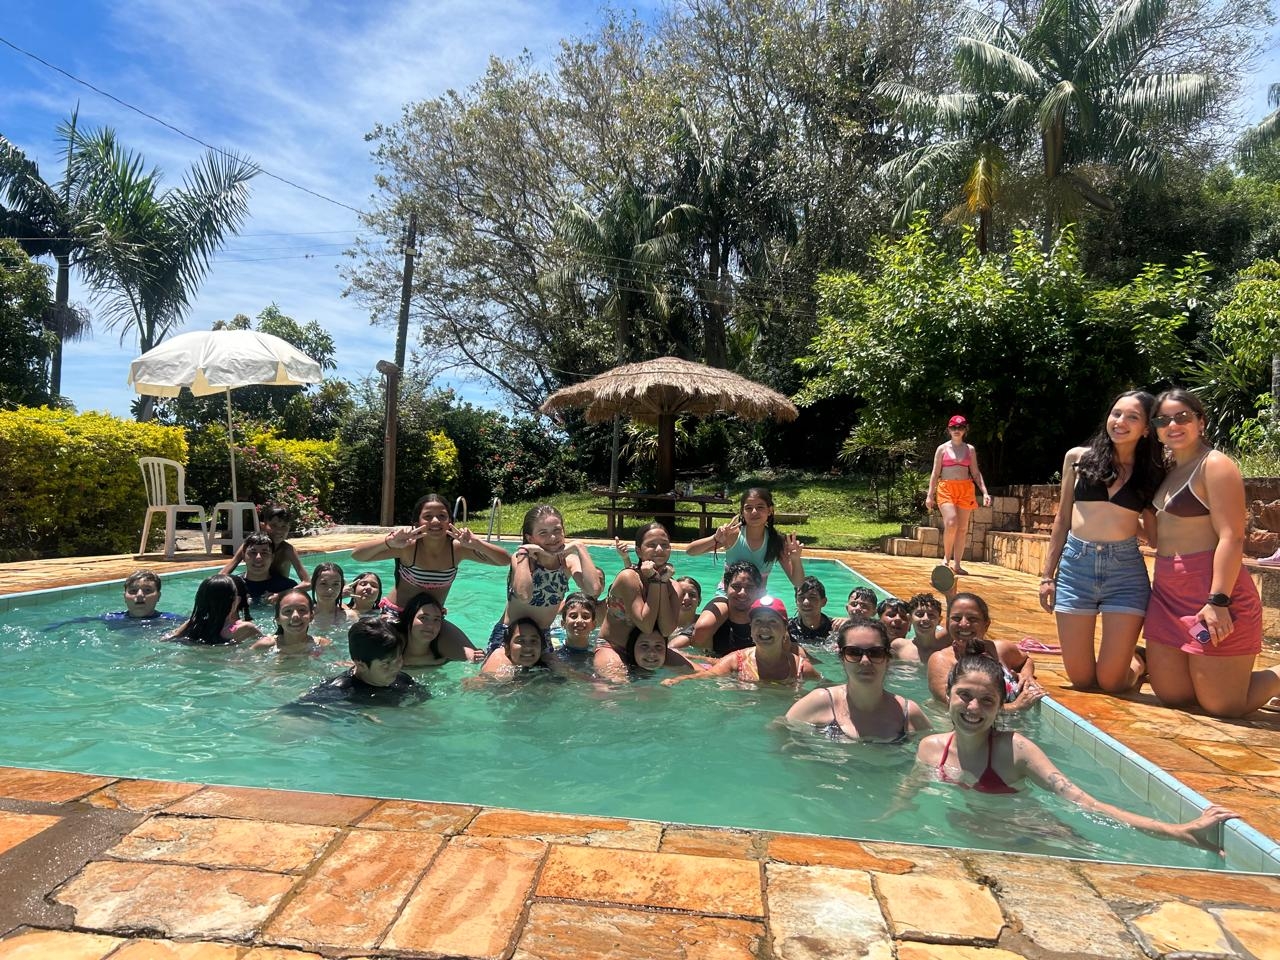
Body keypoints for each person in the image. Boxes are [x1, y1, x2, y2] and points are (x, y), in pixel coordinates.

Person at [915, 656, 1237, 849]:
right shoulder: (930, 749)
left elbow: (1086, 803)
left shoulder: (1015, 750)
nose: (973, 708)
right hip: (974, 832)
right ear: (948, 693)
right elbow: (907, 794)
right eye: (964, 695)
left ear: (1001, 705)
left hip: (1032, 837)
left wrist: (1176, 831)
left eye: (987, 700)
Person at [1143, 389, 1280, 716]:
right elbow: (1158, 538)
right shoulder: (1168, 470)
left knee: (1223, 705)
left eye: (1182, 417)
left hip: (1212, 592)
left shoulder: (1215, 465)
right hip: (1167, 595)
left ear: (1201, 422)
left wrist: (1218, 600)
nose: (1172, 425)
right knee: (1173, 694)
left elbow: (1232, 536)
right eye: (1163, 420)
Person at [1039, 391, 1163, 694]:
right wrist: (1047, 576)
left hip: (1125, 573)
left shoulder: (1153, 471)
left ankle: (1138, 662)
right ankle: (1130, 659)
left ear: (1146, 429)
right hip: (1075, 569)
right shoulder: (1077, 458)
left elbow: (1154, 538)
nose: (1120, 421)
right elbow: (1063, 519)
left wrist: (1138, 515)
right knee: (1081, 680)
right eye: (1116, 413)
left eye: (1132, 417)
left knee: (1111, 682)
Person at [351, 492, 511, 643]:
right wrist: (389, 541)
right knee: (388, 653)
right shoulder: (408, 547)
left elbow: (504, 560)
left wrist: (477, 544)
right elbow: (357, 555)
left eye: (442, 516)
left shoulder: (457, 549)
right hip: (396, 615)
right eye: (428, 516)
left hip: (432, 620)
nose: (435, 521)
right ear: (417, 523)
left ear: (450, 522)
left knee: (472, 655)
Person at [786, 619, 931, 741]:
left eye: (875, 653)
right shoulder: (820, 702)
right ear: (842, 658)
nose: (865, 661)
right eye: (854, 652)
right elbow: (781, 733)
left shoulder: (908, 714)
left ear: (888, 659)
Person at [488, 504, 604, 653]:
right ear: (530, 538)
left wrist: (580, 547)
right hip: (511, 636)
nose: (553, 538)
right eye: (543, 533)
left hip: (542, 637)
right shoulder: (522, 559)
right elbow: (524, 595)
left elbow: (593, 589)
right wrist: (524, 552)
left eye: (557, 530)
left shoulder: (568, 562)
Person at [662, 596, 820, 686]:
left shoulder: (800, 669)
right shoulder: (736, 661)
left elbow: (825, 686)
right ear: (751, 628)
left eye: (773, 622)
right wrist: (676, 680)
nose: (764, 628)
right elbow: (707, 675)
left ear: (785, 629)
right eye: (758, 622)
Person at [926, 593, 1042, 711]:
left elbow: (1026, 660)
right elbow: (951, 705)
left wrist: (1027, 675)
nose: (963, 624)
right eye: (956, 618)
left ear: (986, 624)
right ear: (947, 623)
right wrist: (1015, 706)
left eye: (972, 619)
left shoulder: (999, 649)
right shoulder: (941, 660)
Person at [684, 487, 805, 592]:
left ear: (770, 510)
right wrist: (714, 538)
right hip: (727, 595)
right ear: (742, 512)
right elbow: (690, 551)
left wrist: (795, 559)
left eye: (760, 507)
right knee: (708, 614)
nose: (754, 512)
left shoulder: (776, 541)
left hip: (757, 599)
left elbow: (798, 582)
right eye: (748, 508)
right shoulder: (733, 535)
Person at [290, 618, 428, 708]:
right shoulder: (338, 692)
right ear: (360, 664)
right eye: (386, 664)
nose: (396, 668)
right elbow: (295, 711)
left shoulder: (403, 680)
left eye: (398, 659)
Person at [598, 522, 681, 653]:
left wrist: (663, 583)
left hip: (652, 653)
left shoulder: (675, 587)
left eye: (665, 545)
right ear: (639, 551)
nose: (659, 549)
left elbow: (666, 630)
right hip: (614, 648)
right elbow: (646, 626)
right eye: (651, 545)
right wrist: (654, 581)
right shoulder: (628, 578)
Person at [925, 415, 991, 575]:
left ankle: (957, 564)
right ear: (949, 429)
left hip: (965, 489)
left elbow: (975, 473)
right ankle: (946, 559)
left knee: (962, 528)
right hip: (946, 488)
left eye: (960, 427)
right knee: (951, 522)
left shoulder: (970, 449)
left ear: (965, 430)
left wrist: (985, 492)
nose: (957, 430)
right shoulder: (942, 449)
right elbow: (935, 473)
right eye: (953, 427)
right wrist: (930, 495)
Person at [669, 560, 762, 656]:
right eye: (736, 586)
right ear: (725, 587)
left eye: (749, 587)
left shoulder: (764, 625)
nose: (742, 593)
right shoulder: (712, 625)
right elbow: (671, 649)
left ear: (759, 591)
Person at [45, 569, 184, 631]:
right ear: (124, 597)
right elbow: (74, 622)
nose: (139, 595)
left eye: (147, 590)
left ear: (158, 596)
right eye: (133, 591)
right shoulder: (112, 618)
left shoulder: (171, 620)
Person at [220, 505, 308, 585]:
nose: (279, 530)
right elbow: (223, 574)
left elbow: (307, 582)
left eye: (284, 526)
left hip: (278, 588)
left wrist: (281, 594)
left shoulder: (287, 550)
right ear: (263, 526)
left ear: (289, 528)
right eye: (274, 525)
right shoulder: (251, 545)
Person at [165, 574, 261, 645]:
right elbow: (266, 644)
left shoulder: (194, 624)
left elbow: (166, 639)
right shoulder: (244, 628)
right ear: (235, 601)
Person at [398, 592, 483, 666]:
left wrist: (476, 657)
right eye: (423, 618)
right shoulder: (395, 648)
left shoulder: (443, 649)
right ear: (409, 619)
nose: (430, 626)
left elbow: (471, 656)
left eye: (436, 619)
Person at [595, 626, 697, 682]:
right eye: (644, 645)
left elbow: (705, 672)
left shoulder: (670, 659)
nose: (652, 653)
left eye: (658, 646)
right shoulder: (615, 667)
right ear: (632, 648)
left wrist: (678, 679)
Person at [252, 589, 332, 655]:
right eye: (288, 611)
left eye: (302, 610)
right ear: (278, 619)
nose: (295, 616)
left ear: (311, 617)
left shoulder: (322, 644)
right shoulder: (265, 646)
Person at [235, 533, 298, 605]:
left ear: (272, 558)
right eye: (253, 552)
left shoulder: (287, 587)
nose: (258, 557)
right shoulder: (233, 586)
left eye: (264, 553)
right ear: (243, 556)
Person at [308, 562, 354, 633]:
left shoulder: (350, 617)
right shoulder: (304, 616)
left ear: (341, 586)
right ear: (313, 584)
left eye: (335, 584)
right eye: (323, 584)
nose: (330, 590)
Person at [788, 576, 833, 645]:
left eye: (812, 597)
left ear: (823, 602)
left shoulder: (834, 628)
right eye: (801, 597)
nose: (806, 602)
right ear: (796, 602)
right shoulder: (788, 628)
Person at [903, 593, 948, 662]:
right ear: (910, 619)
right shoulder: (899, 648)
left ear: (939, 620)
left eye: (931, 615)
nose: (926, 618)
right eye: (920, 614)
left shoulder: (947, 649)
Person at [670, 576, 702, 643]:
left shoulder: (703, 624)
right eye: (681, 593)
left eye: (692, 595)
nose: (686, 598)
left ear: (699, 601)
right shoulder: (661, 624)